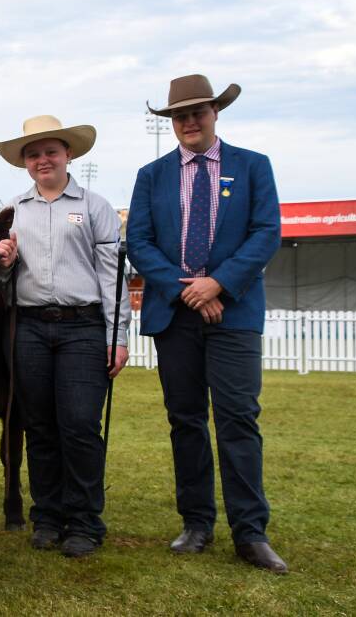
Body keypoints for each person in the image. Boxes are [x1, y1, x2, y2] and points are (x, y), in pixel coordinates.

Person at [127, 75, 285, 573]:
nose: (189, 122)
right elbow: (140, 241)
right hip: (175, 315)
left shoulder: (252, 166)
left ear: (216, 112)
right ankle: (196, 522)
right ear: (170, 122)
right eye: (180, 115)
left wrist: (217, 284)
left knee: (238, 418)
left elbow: (266, 233)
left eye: (198, 112)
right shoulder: (151, 176)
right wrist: (186, 290)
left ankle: (250, 531)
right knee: (186, 420)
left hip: (233, 312)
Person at [0, 115, 130, 558]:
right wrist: (3, 261)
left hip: (84, 327)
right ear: (25, 163)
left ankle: (85, 521)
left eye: (51, 151)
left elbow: (113, 277)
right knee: (41, 427)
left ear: (68, 154)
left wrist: (118, 335)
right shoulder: (15, 210)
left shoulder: (95, 207)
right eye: (34, 154)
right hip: (29, 326)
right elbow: (2, 279)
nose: (42, 160)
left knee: (80, 426)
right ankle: (47, 516)